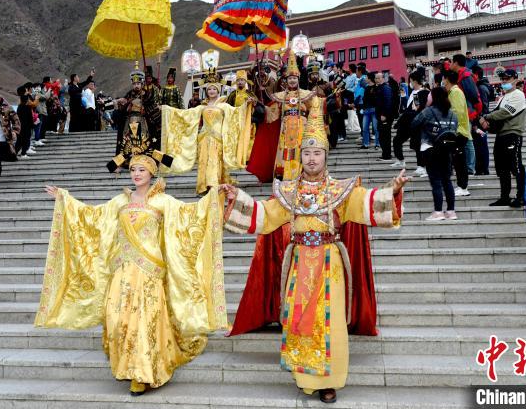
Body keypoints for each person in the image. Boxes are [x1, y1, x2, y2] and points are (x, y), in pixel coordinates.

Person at [221, 110, 408, 404]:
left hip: (330, 262)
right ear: (301, 156)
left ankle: (329, 381)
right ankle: (305, 378)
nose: (311, 158)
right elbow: (265, 216)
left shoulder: (341, 190)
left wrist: (392, 191)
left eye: (317, 153)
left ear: (325, 156)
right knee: (299, 320)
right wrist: (237, 198)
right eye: (307, 153)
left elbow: (366, 204)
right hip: (299, 263)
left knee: (330, 322)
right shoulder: (288, 191)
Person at [36, 151, 227, 395]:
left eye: (141, 170)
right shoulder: (120, 201)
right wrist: (65, 199)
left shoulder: (163, 201)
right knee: (118, 319)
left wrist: (214, 196)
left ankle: (142, 373)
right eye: (133, 170)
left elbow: (191, 215)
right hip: (122, 270)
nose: (136, 174)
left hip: (149, 271)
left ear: (152, 173)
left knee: (145, 320)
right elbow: (92, 217)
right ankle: (126, 365)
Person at [161, 72, 252, 194]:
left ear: (218, 90)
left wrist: (246, 104)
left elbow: (237, 112)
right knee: (204, 161)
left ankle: (215, 185)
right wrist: (167, 109)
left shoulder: (223, 105)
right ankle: (204, 185)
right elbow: (185, 114)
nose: (212, 91)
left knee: (215, 161)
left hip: (217, 138)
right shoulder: (202, 106)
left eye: (214, 89)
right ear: (206, 91)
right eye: (209, 89)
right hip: (204, 138)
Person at [256, 49, 322, 180]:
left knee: (301, 147)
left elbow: (315, 108)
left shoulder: (306, 94)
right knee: (286, 148)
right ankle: (286, 173)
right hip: (286, 127)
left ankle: (303, 172)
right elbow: (273, 113)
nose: (292, 80)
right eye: (290, 78)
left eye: (294, 78)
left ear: (298, 79)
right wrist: (260, 106)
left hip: (302, 126)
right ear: (286, 80)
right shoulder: (280, 96)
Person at [479, 69, 526, 207]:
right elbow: (497, 113)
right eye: (503, 79)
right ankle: (504, 197)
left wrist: (486, 117)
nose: (504, 81)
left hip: (513, 133)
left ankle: (521, 196)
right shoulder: (504, 96)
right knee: (502, 168)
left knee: (516, 166)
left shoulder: (518, 94)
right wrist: (486, 121)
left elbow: (505, 113)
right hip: (501, 134)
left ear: (515, 79)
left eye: (507, 78)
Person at [412, 86, 459, 221]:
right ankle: (451, 211)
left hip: (430, 149)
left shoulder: (428, 111)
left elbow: (414, 124)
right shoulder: (452, 114)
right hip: (447, 150)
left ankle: (438, 212)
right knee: (447, 181)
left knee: (436, 181)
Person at [443, 70, 471, 197]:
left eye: (444, 79)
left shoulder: (455, 92)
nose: (443, 82)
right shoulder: (453, 92)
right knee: (457, 160)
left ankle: (463, 187)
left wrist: (451, 128)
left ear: (447, 79)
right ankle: (461, 185)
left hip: (458, 131)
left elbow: (458, 112)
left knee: (460, 160)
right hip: (458, 131)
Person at [392, 70, 428, 169]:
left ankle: (421, 166)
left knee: (417, 144)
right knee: (397, 140)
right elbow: (409, 107)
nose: (410, 83)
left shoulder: (421, 93)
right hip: (407, 123)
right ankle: (400, 160)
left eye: (411, 81)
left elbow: (415, 109)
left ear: (415, 81)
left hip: (415, 123)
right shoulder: (414, 93)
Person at [472, 66, 491, 175]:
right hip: (480, 120)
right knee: (480, 144)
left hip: (480, 122)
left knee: (481, 144)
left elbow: (483, 107)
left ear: (476, 75)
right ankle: (482, 168)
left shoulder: (481, 88)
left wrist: (478, 120)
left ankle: (483, 168)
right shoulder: (482, 87)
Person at [375, 72, 394, 161]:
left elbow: (388, 101)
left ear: (382, 78)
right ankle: (385, 154)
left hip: (385, 116)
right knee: (382, 136)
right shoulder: (380, 88)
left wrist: (384, 114)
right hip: (380, 115)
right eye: (376, 78)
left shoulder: (386, 88)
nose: (376, 80)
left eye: (378, 78)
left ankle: (387, 155)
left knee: (385, 136)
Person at [15, 85, 35, 159]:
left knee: (19, 141)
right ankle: (23, 154)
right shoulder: (27, 107)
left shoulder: (19, 107)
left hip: (20, 126)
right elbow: (30, 118)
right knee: (26, 140)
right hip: (26, 126)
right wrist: (32, 125)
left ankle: (14, 153)